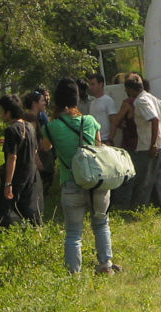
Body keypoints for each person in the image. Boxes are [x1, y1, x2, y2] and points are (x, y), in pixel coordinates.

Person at [41, 78, 120, 275]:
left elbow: (46, 147)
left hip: (70, 183)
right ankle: (105, 266)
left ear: (57, 101)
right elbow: (98, 146)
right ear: (77, 99)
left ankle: (73, 273)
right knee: (101, 224)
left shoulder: (52, 127)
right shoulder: (91, 121)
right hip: (95, 183)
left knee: (73, 233)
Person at [0, 93, 42, 226]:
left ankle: (1, 237)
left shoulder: (11, 130)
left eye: (2, 111)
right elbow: (35, 149)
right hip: (30, 174)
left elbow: (12, 157)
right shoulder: (29, 127)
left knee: (1, 211)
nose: (1, 114)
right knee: (23, 207)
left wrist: (8, 183)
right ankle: (37, 230)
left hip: (17, 176)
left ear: (9, 112)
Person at [126, 74, 161, 212]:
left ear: (130, 89)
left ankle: (139, 210)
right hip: (158, 144)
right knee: (157, 178)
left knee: (143, 180)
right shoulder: (152, 98)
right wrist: (160, 136)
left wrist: (153, 144)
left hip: (147, 146)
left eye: (126, 89)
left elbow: (154, 119)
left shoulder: (140, 101)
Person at [24, 88, 54, 194]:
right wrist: (38, 160)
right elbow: (30, 141)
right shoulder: (30, 119)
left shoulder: (35, 117)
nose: (45, 102)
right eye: (42, 100)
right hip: (36, 158)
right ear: (34, 103)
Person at [87, 72, 117, 144]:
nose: (90, 87)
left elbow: (114, 122)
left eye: (93, 84)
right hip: (95, 141)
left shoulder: (108, 101)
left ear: (101, 84)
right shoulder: (92, 103)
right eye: (90, 85)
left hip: (106, 140)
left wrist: (110, 140)